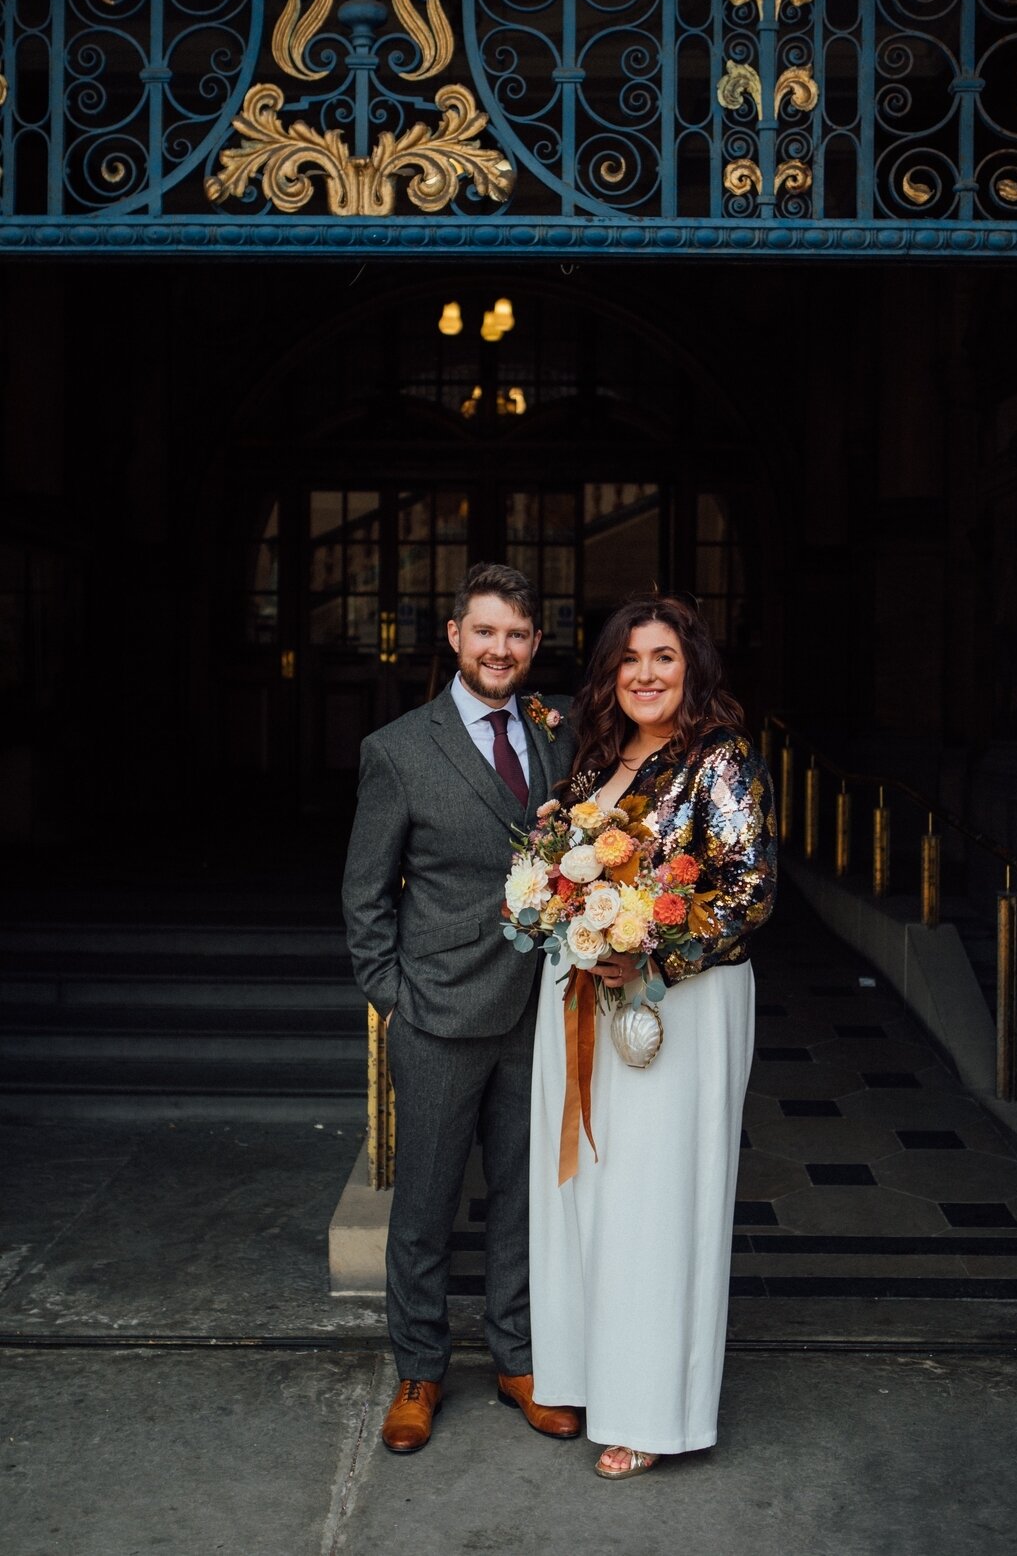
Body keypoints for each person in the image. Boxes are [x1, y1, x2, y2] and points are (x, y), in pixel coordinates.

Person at [528, 593, 777, 1478]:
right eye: (630, 659)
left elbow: (750, 888)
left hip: (683, 1007)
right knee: (589, 1194)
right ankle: (590, 1372)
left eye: (663, 657)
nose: (645, 674)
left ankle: (653, 1412)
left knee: (657, 1207)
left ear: (692, 667)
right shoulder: (596, 756)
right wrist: (565, 920)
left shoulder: (722, 759)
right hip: (584, 999)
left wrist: (654, 958)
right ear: (609, 673)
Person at [342, 562, 579, 1454]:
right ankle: (420, 1369)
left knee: (523, 1201)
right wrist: (394, 999)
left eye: (516, 635)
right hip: (438, 1014)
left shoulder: (557, 732)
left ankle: (518, 1359)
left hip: (538, 1009)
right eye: (485, 632)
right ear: (454, 637)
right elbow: (364, 896)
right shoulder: (399, 749)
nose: (500, 649)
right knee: (429, 1203)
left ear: (533, 645)